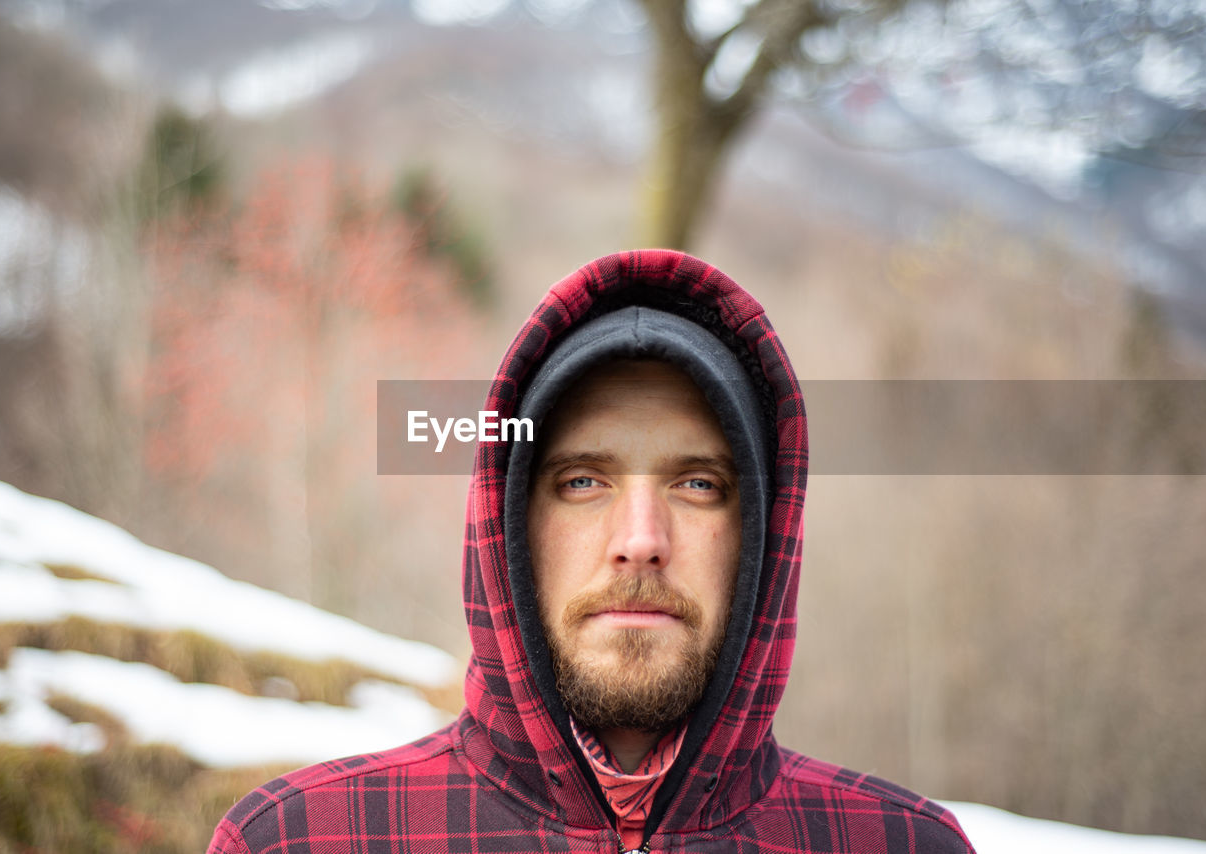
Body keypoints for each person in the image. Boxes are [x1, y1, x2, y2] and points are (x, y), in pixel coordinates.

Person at [207, 250, 974, 853]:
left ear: (763, 537)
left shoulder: (904, 845)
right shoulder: (300, 839)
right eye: (581, 480)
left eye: (700, 484)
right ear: (508, 525)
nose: (641, 541)